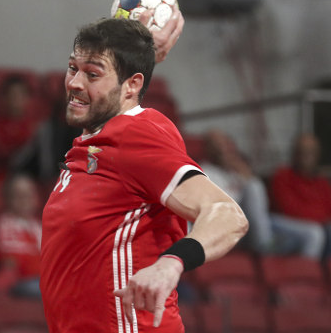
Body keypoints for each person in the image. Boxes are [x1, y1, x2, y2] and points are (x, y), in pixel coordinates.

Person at [40, 18, 248, 332]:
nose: (75, 83)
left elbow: (228, 215)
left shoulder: (136, 136)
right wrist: (140, 48)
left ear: (133, 85)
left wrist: (171, 263)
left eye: (92, 74)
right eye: (73, 68)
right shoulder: (95, 143)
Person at [201, 130, 325, 259]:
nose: (223, 149)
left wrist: (242, 170)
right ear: (208, 149)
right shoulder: (204, 171)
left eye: (225, 144)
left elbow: (258, 208)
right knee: (254, 186)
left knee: (314, 234)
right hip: (231, 227)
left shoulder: (237, 171)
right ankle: (266, 246)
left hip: (258, 224)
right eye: (217, 145)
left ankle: (304, 277)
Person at [271, 133, 331, 258]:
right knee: (316, 233)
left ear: (317, 155)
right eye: (301, 151)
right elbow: (290, 209)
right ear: (294, 153)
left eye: (310, 152)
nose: (305, 156)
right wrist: (321, 220)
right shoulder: (282, 176)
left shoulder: (321, 183)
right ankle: (306, 275)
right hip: (284, 230)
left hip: (319, 227)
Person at [0, 174, 42, 297]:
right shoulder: (4, 224)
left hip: (42, 279)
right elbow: (12, 261)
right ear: (9, 199)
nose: (25, 199)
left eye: (29, 194)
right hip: (22, 281)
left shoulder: (39, 225)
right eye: (19, 195)